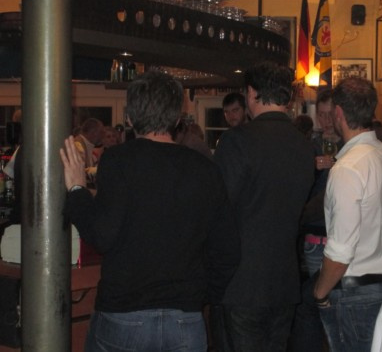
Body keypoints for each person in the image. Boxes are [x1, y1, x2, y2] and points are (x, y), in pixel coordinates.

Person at [60, 70, 240, 352]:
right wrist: (201, 296)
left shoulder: (118, 160)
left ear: (130, 118)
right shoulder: (205, 169)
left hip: (123, 313)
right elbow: (228, 251)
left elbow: (101, 235)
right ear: (177, 118)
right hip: (185, 318)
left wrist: (76, 189)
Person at [213, 61, 314, 352]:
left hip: (242, 282)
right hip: (285, 279)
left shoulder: (237, 141)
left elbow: (219, 210)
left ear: (251, 93)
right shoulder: (304, 145)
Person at [312, 77, 382, 352]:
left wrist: (320, 293)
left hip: (355, 293)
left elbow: (341, 250)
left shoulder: (347, 167)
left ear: (339, 113)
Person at [289, 89, 344, 352]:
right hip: (315, 233)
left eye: (329, 114)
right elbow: (298, 190)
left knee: (336, 300)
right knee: (315, 298)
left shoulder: (351, 145)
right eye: (321, 115)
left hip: (340, 234)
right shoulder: (310, 146)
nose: (326, 120)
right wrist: (313, 167)